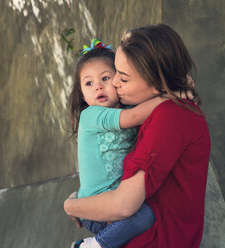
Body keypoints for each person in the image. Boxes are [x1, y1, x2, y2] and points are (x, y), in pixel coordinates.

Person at [64, 24, 211, 248]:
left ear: (156, 85)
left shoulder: (169, 116)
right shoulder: (158, 111)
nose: (112, 84)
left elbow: (124, 206)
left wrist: (71, 206)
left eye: (121, 78)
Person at [67, 39, 166, 248]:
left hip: (113, 200)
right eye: (89, 83)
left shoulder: (125, 110)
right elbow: (135, 117)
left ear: (119, 80)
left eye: (105, 78)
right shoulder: (91, 115)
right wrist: (171, 97)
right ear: (82, 95)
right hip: (97, 207)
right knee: (145, 216)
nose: (98, 86)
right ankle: (94, 245)